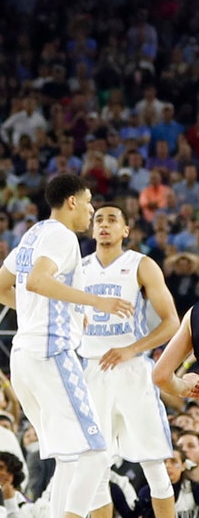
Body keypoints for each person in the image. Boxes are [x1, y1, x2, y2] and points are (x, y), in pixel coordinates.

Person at [0, 174, 134, 518]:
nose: (91, 210)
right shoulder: (61, 236)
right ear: (72, 202)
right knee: (97, 451)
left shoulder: (32, 234)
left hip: (24, 357)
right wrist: (95, 302)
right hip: (50, 354)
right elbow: (38, 281)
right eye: (88, 202)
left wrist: (61, 311)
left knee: (69, 457)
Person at [78, 205, 180, 518]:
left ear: (126, 230)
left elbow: (172, 323)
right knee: (93, 466)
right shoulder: (77, 269)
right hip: (92, 370)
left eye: (112, 220)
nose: (104, 225)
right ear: (92, 230)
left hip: (133, 371)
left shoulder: (142, 265)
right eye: (99, 220)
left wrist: (132, 349)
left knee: (153, 463)